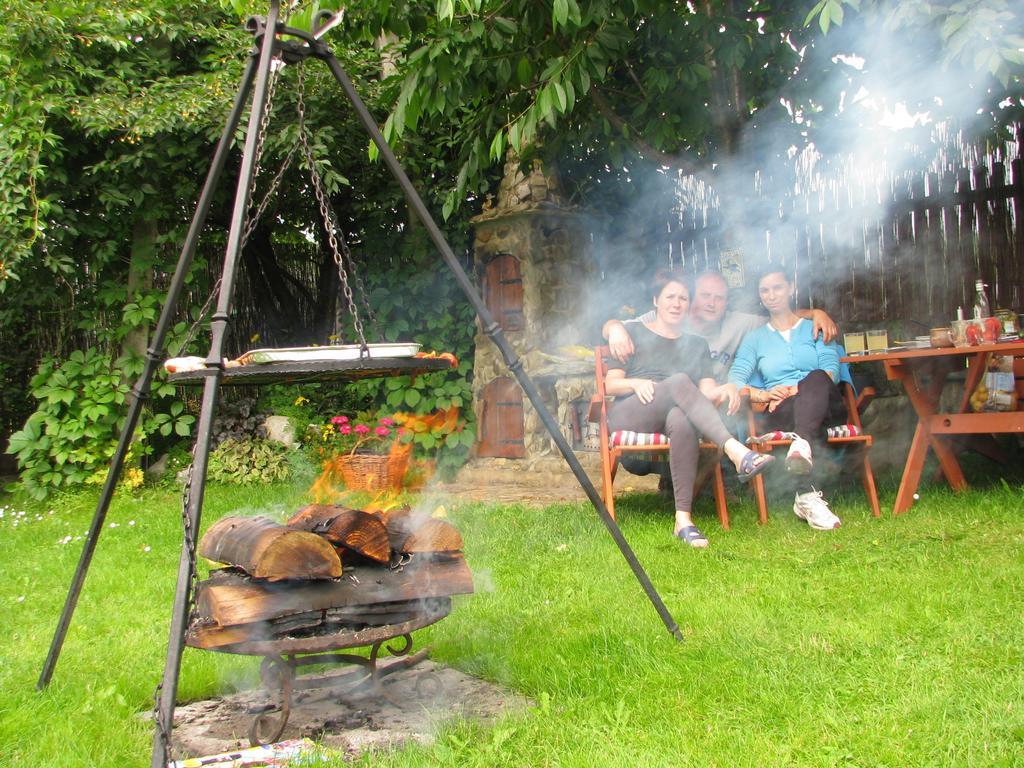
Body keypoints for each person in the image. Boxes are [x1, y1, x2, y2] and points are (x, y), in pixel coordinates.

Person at [605, 267, 775, 548]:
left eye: (683, 298)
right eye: (670, 296)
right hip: (632, 411)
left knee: (681, 418)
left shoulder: (696, 344)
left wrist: (728, 388)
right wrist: (636, 383)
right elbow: (610, 385)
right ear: (656, 301)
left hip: (671, 412)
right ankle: (735, 450)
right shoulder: (632, 331)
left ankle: (683, 520)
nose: (676, 303)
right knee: (680, 382)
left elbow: (707, 393)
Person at [721, 265, 847, 530]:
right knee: (807, 416)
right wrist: (763, 394)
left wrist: (795, 388)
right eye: (764, 290)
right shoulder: (755, 339)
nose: (771, 295)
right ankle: (806, 495)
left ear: (790, 288)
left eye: (777, 287)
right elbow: (735, 381)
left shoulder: (815, 327)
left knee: (815, 377)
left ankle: (801, 445)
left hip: (827, 402)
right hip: (783, 410)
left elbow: (831, 371)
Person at [603, 270, 838, 381]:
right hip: (673, 396)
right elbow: (616, 326)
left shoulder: (737, 323)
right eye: (705, 296)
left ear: (726, 303)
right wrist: (614, 328)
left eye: (719, 298)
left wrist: (816, 313)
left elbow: (780, 316)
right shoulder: (672, 317)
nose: (712, 304)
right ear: (692, 297)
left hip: (716, 399)